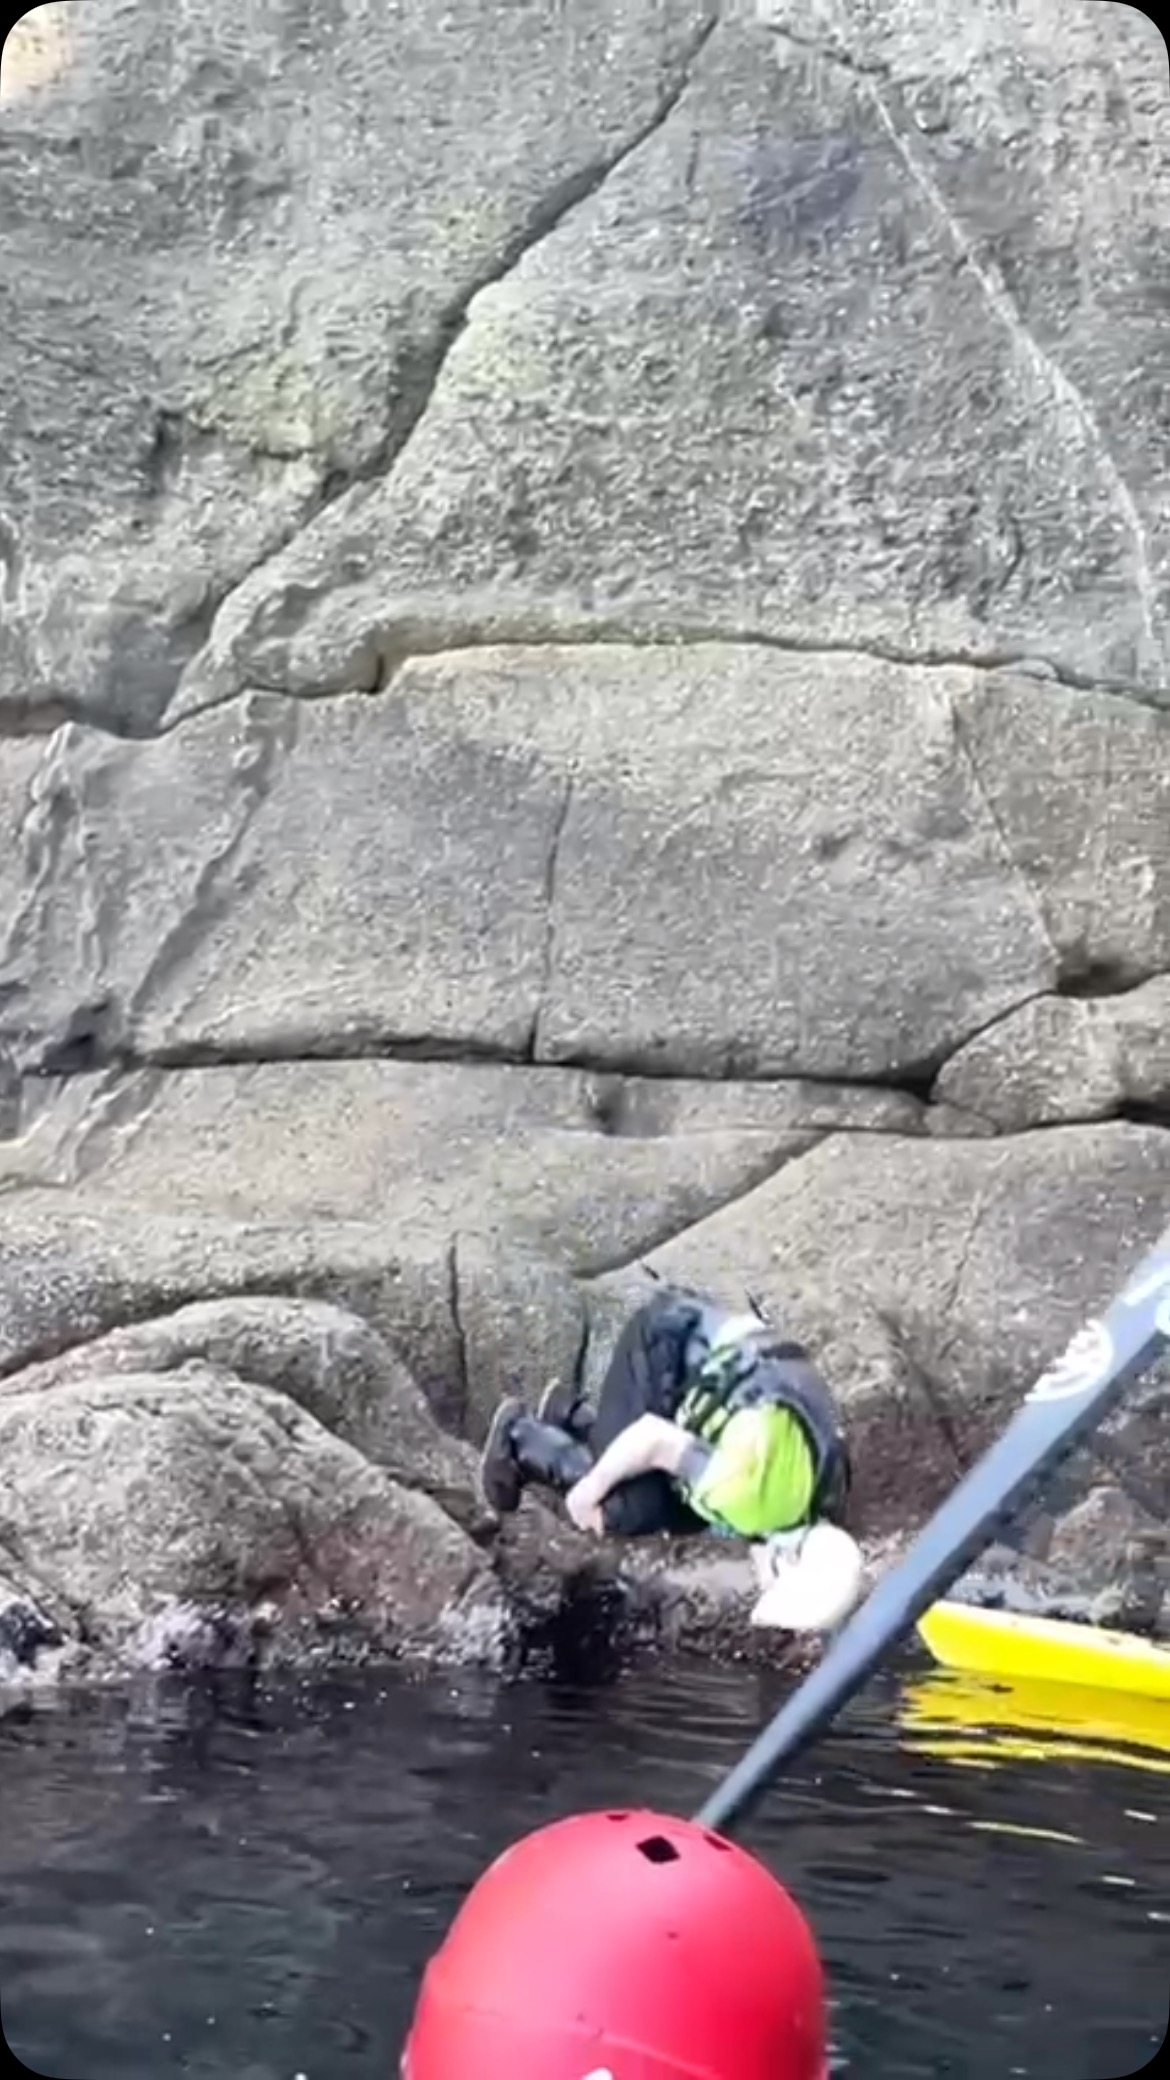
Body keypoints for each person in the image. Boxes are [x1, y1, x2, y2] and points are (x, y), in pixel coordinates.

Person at [479, 1279, 863, 1631]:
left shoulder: (826, 1497)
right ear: (787, 1560)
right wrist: (589, 1489)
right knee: (625, 1509)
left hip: (719, 1348)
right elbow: (654, 1439)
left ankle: (571, 1420)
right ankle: (521, 1438)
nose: (762, 1585)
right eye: (771, 1585)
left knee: (686, 1513)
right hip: (665, 1339)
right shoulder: (750, 1500)